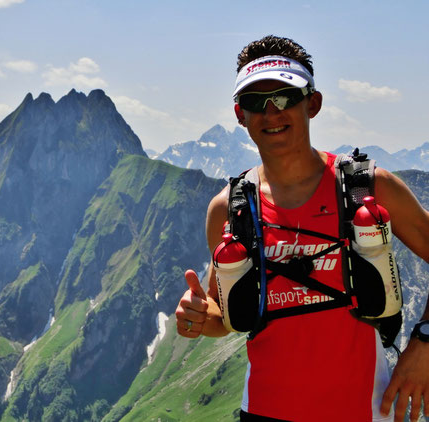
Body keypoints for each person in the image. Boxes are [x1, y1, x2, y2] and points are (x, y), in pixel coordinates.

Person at [175, 35, 429, 422]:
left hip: (366, 411)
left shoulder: (368, 187)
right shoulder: (228, 208)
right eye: (255, 102)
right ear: (239, 114)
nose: (270, 113)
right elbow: (222, 316)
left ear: (313, 103)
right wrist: (196, 315)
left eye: (284, 97)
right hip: (263, 411)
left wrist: (424, 343)